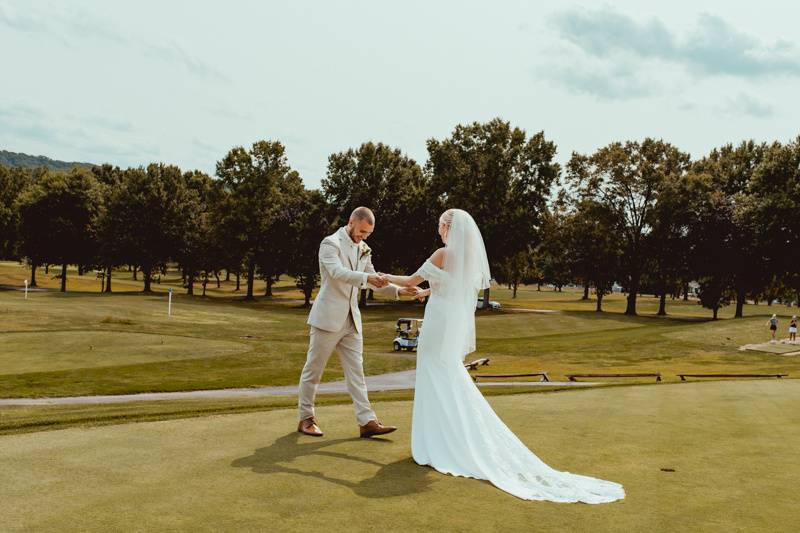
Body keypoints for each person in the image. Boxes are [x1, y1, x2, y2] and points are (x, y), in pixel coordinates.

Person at [381, 208, 624, 503]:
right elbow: (447, 288)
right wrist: (425, 293)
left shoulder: (443, 253)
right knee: (445, 375)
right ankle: (442, 441)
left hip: (436, 325)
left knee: (435, 375)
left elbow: (409, 280)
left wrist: (381, 277)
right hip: (446, 321)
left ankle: (436, 444)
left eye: (441, 227)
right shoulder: (467, 259)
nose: (439, 231)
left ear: (448, 228)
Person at [297, 207, 418, 438]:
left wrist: (400, 291)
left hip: (352, 320)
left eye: (368, 234)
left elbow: (375, 279)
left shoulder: (364, 248)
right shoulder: (330, 244)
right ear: (351, 222)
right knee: (314, 370)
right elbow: (337, 272)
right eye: (362, 231)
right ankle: (306, 418)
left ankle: (367, 421)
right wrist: (367, 278)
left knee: (357, 373)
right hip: (327, 319)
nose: (364, 236)